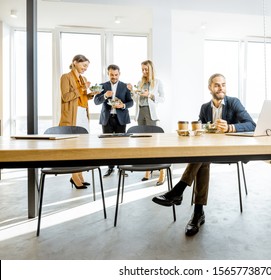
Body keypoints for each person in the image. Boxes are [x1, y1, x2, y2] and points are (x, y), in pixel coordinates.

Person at [152, 73, 256, 236]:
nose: (221, 88)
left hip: (229, 150)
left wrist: (230, 127)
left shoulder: (234, 102)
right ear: (210, 88)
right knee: (202, 157)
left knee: (201, 156)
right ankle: (197, 212)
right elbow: (201, 126)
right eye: (217, 85)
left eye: (223, 84)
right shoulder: (205, 108)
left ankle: (179, 193)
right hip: (209, 150)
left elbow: (252, 124)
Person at [59, 54, 99, 189]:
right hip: (72, 114)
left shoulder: (83, 79)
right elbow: (65, 97)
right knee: (72, 147)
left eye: (87, 66)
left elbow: (82, 97)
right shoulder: (66, 77)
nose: (85, 68)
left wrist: (91, 95)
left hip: (82, 113)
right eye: (84, 65)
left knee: (82, 145)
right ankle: (75, 176)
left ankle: (78, 174)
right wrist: (82, 89)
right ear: (75, 62)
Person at [94, 64, 134, 177]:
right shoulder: (102, 86)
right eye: (112, 75)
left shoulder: (125, 86)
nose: (114, 77)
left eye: (116, 75)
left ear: (119, 74)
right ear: (108, 74)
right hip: (107, 119)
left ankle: (121, 168)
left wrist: (123, 106)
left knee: (122, 144)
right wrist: (105, 96)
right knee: (108, 145)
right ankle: (110, 168)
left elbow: (131, 102)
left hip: (121, 118)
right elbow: (96, 101)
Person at [130, 60, 166, 185]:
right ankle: (147, 170)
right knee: (143, 144)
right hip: (140, 113)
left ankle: (162, 171)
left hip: (150, 113)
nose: (144, 72)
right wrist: (132, 92)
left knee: (154, 144)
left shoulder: (157, 82)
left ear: (151, 69)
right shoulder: (140, 83)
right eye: (142, 69)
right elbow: (136, 99)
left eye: (146, 69)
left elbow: (162, 98)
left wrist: (150, 95)